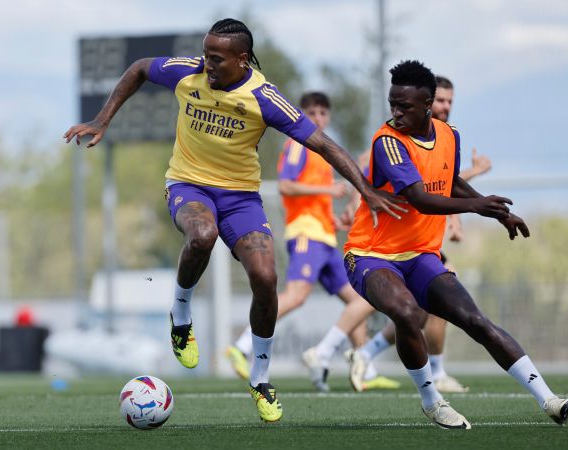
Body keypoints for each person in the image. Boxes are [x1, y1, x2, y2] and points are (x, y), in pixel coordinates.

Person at [64, 19, 405, 423]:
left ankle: (260, 378)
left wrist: (364, 188)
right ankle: (182, 314)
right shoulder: (188, 72)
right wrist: (104, 119)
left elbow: (324, 144)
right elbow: (139, 67)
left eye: (216, 57)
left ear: (242, 59)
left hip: (241, 198)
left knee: (266, 278)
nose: (206, 63)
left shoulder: (264, 97)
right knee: (202, 235)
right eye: (206, 53)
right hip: (188, 185)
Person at [342, 59, 568, 429]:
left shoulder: (449, 136)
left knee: (476, 321)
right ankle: (432, 400)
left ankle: (548, 399)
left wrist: (498, 212)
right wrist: (477, 206)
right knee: (405, 312)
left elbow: (450, 183)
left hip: (421, 255)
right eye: (393, 104)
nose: (397, 112)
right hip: (370, 254)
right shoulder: (387, 141)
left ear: (427, 104)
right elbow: (420, 198)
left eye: (405, 106)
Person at [226, 92, 399, 392]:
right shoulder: (297, 144)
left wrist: (333, 219)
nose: (318, 118)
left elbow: (313, 200)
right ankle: (241, 346)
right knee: (295, 296)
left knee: (359, 300)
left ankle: (363, 369)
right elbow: (286, 185)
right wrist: (327, 190)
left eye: (322, 112)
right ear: (302, 115)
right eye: (312, 113)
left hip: (324, 236)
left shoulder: (320, 152)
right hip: (306, 236)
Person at [345, 76, 494, 394]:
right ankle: (428, 374)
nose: (446, 107)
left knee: (420, 308)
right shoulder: (394, 139)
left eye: (451, 102)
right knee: (409, 304)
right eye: (441, 100)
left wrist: (457, 215)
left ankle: (367, 354)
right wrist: (473, 202)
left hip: (421, 241)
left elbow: (443, 182)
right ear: (427, 103)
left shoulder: (447, 136)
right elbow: (422, 190)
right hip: (386, 244)